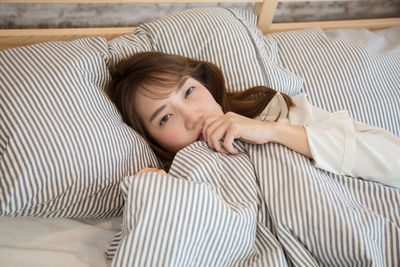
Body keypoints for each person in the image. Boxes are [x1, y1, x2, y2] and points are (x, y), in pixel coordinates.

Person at [108, 51, 400, 188]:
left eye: (189, 92)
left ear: (206, 85)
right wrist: (158, 199)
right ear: (149, 138)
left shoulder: (281, 113)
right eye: (165, 118)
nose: (192, 117)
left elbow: (394, 162)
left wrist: (275, 132)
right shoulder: (177, 182)